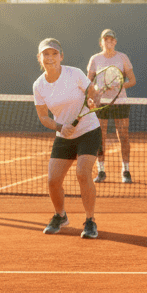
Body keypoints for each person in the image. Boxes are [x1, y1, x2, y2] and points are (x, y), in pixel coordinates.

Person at [32, 38, 100, 239]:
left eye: (54, 54)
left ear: (61, 56)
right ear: (40, 58)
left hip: (89, 130)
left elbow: (93, 93)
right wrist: (61, 127)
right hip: (64, 134)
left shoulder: (75, 73)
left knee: (82, 173)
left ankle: (90, 220)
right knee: (53, 180)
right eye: (46, 54)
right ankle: (60, 215)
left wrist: (92, 100)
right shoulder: (39, 85)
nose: (50, 58)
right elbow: (43, 117)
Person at [87, 29, 137, 184]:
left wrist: (119, 86)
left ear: (115, 42)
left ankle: (126, 170)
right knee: (100, 137)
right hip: (101, 103)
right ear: (101, 42)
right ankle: (101, 170)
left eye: (111, 40)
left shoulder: (122, 58)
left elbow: (132, 80)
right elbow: (88, 83)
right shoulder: (95, 59)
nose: (108, 42)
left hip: (120, 102)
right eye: (105, 40)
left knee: (123, 136)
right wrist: (95, 93)